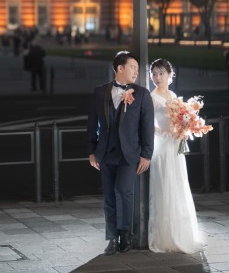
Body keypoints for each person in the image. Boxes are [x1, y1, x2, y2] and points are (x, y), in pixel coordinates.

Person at [87, 51, 154, 256]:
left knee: (123, 191)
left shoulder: (142, 94)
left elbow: (147, 127)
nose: (136, 71)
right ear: (120, 68)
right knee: (109, 195)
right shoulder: (100, 92)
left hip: (130, 154)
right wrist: (91, 151)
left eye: (137, 68)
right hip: (105, 152)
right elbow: (92, 124)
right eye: (133, 67)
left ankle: (125, 234)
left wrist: (146, 154)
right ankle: (111, 238)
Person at [148, 58, 205, 254]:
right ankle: (165, 236)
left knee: (178, 184)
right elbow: (147, 122)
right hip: (162, 145)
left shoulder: (173, 95)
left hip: (175, 144)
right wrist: (161, 132)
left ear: (170, 75)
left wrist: (184, 129)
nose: (157, 77)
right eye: (154, 74)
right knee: (164, 186)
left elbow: (180, 118)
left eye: (161, 73)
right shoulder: (152, 97)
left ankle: (181, 233)